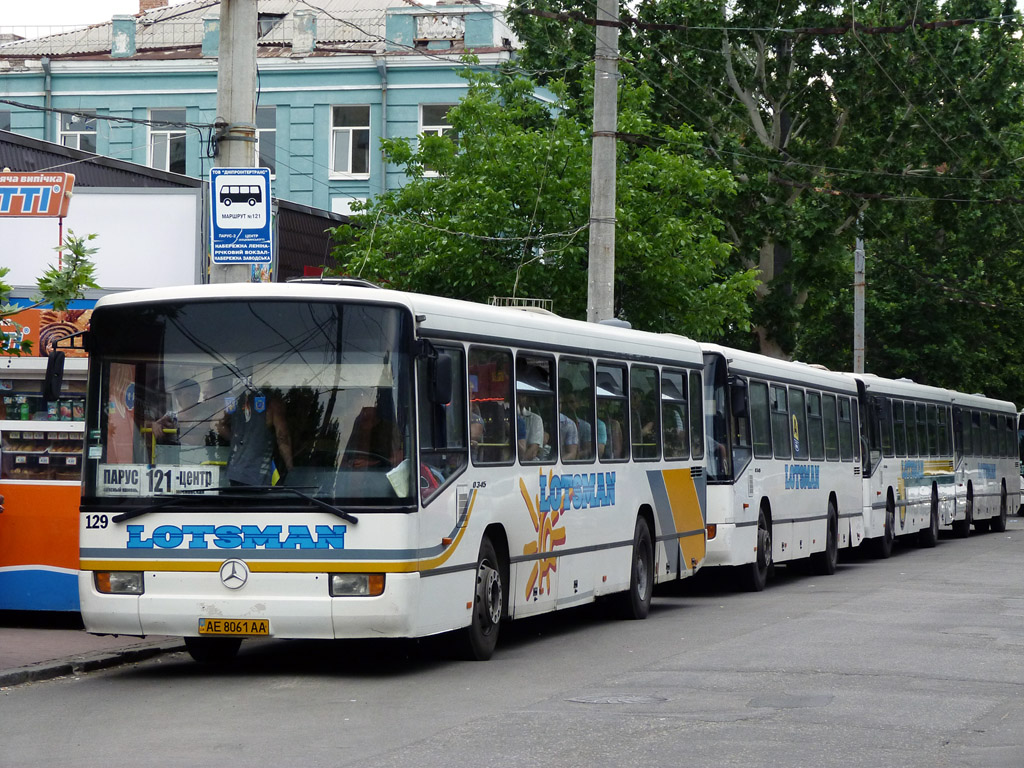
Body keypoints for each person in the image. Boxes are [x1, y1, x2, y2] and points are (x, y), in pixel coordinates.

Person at [218, 389, 294, 486]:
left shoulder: (236, 400)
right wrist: (290, 466)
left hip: (233, 472)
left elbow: (218, 425)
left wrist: (238, 440)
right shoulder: (273, 405)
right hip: (257, 476)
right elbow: (282, 437)